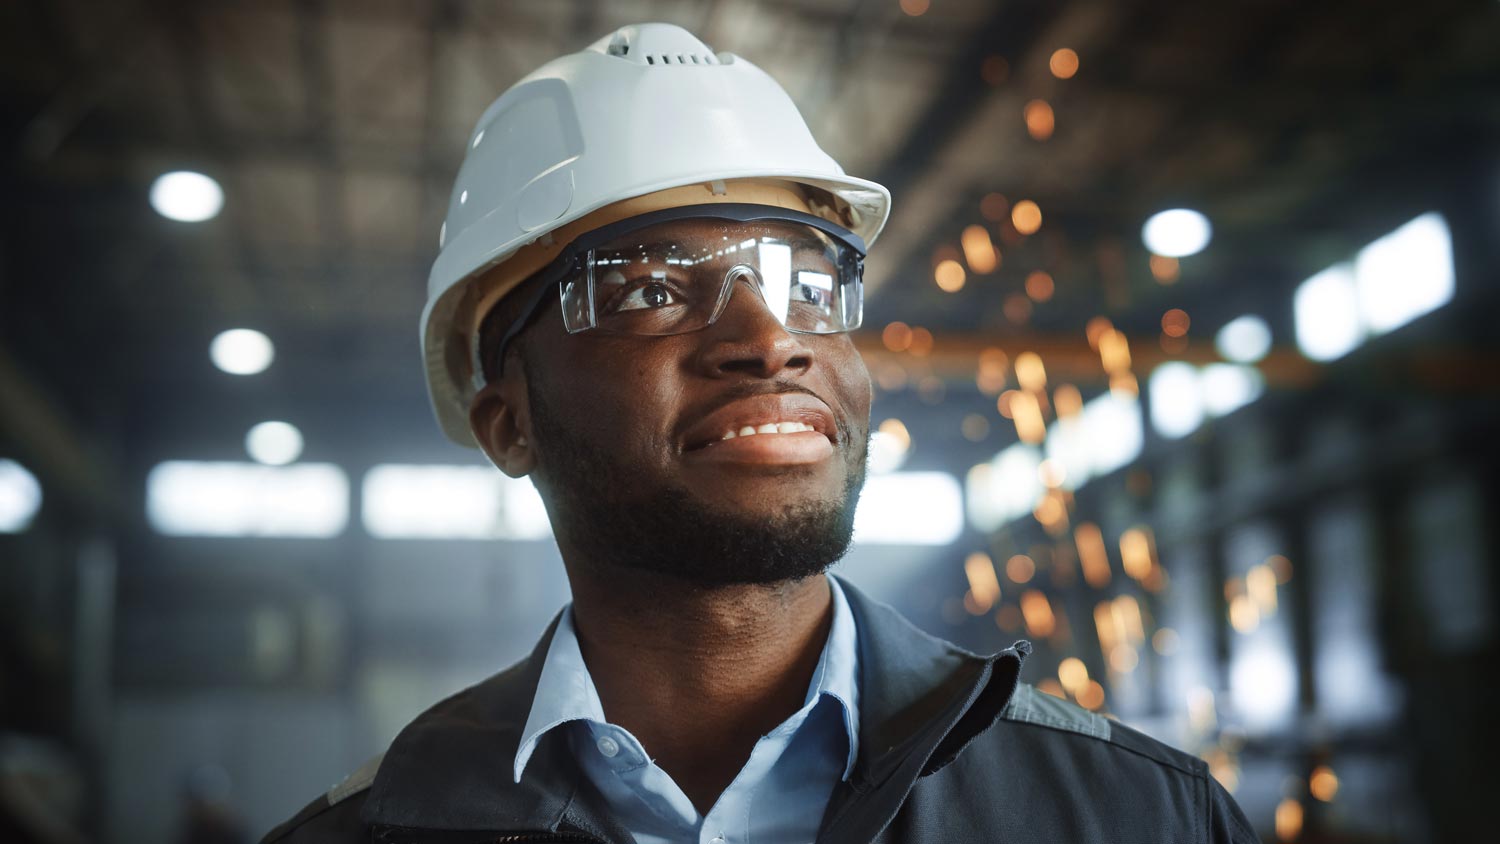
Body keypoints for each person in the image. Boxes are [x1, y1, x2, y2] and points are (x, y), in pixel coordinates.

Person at [264, 23, 1255, 844]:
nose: (770, 338)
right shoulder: (375, 830)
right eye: (648, 288)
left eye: (807, 284)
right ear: (508, 422)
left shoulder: (1140, 815)